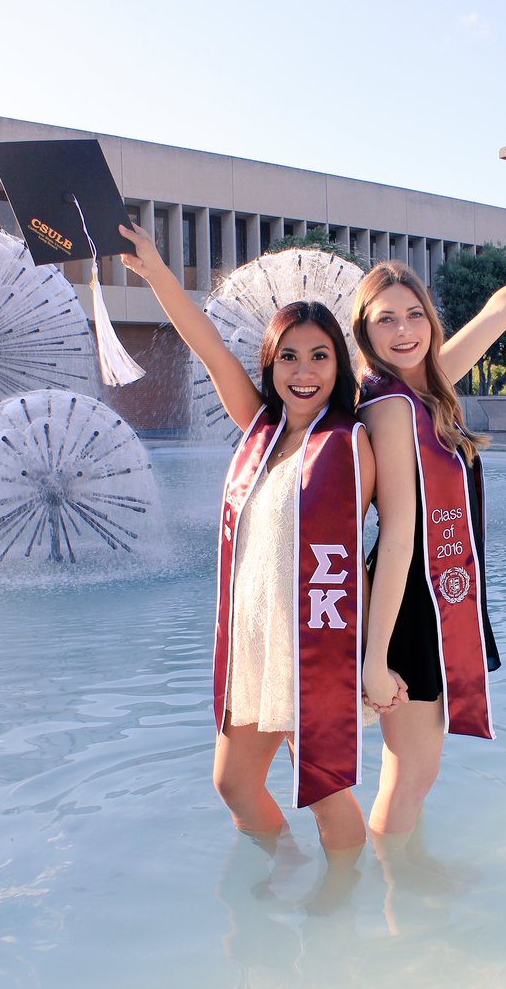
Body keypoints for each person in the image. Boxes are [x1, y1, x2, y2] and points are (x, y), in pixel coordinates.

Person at [119, 224, 405, 854]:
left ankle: (346, 905)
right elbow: (209, 347)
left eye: (320, 356)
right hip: (253, 642)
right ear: (271, 364)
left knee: (326, 791)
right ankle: (284, 873)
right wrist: (155, 272)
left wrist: (374, 656)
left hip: (313, 644)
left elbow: (392, 544)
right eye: (289, 357)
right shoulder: (261, 431)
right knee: (234, 784)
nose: (304, 373)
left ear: (341, 364)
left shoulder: (355, 442)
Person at [352, 204, 506, 837]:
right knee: (409, 776)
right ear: (365, 331)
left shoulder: (421, 391)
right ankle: (398, 905)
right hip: (410, 606)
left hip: (436, 593)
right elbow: (399, 532)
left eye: (414, 316)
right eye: (386, 320)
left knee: (416, 775)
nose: (404, 331)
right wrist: (375, 660)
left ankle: (402, 883)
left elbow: (499, 310)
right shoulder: (390, 407)